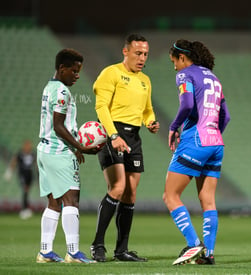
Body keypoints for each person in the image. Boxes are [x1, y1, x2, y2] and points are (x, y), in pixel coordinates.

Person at [90, 33, 159, 262]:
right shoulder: (111, 73)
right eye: (138, 53)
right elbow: (101, 107)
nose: (142, 58)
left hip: (134, 137)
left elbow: (147, 109)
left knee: (130, 193)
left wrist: (150, 122)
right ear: (125, 51)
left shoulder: (145, 80)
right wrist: (113, 135)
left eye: (146, 54)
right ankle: (97, 245)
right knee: (117, 188)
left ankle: (122, 250)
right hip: (112, 133)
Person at [162, 39, 231, 266]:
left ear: (183, 57)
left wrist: (173, 127)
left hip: (195, 140)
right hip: (216, 143)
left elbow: (187, 105)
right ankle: (208, 254)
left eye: (174, 61)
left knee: (170, 196)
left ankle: (194, 245)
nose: (174, 67)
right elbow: (226, 117)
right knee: (208, 201)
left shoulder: (185, 74)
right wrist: (213, 135)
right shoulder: (215, 78)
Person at [36, 48, 100, 264]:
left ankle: (45, 251)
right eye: (73, 70)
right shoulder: (62, 92)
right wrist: (80, 147)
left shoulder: (49, 87)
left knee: (54, 202)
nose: (77, 75)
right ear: (62, 68)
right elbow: (58, 126)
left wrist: (74, 147)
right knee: (71, 200)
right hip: (58, 152)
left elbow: (55, 127)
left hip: (44, 151)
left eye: (79, 71)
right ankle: (73, 252)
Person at [4, 139, 37, 219]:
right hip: (22, 174)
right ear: (24, 146)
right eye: (27, 145)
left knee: (27, 191)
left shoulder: (32, 154)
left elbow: (36, 163)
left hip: (30, 174)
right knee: (25, 189)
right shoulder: (20, 153)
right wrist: (9, 172)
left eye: (29, 145)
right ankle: (24, 209)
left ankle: (26, 209)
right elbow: (14, 162)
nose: (28, 147)